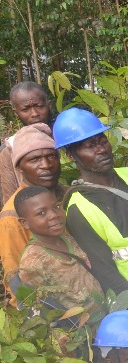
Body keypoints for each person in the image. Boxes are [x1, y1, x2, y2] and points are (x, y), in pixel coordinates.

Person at [57, 109, 128, 344]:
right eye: (89, 146)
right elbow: (105, 272)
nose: (101, 149)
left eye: (101, 140)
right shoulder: (79, 209)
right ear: (71, 156)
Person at [13, 185, 103, 314]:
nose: (54, 215)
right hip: (77, 330)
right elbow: (37, 309)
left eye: (56, 207)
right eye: (41, 213)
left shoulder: (69, 239)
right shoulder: (33, 262)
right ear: (24, 223)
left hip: (104, 317)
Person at [0, 125, 63, 297]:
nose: (46, 165)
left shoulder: (67, 194)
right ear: (20, 168)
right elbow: (16, 280)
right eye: (34, 160)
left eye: (51, 156)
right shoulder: (13, 216)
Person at [1, 82, 53, 206]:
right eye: (26, 109)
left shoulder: (65, 137)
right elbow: (9, 198)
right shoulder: (9, 150)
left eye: (39, 106)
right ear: (16, 113)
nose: (34, 113)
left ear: (49, 105)